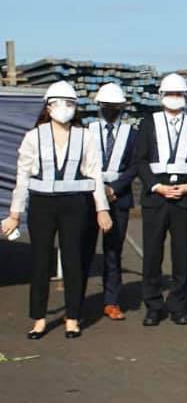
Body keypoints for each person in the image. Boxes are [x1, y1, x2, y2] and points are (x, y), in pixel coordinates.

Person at [2, 82, 112, 339]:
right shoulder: (34, 136)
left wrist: (102, 209)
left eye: (70, 103)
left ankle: (72, 317)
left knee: (73, 260)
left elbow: (95, 173)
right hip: (42, 205)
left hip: (75, 205)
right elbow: (22, 177)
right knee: (40, 261)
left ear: (76, 106)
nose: (64, 108)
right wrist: (15, 214)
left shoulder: (85, 136)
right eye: (59, 102)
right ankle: (39, 318)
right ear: (48, 106)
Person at [132, 72, 187, 326]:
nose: (175, 98)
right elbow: (140, 160)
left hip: (184, 197)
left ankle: (178, 305)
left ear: (186, 96)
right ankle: (153, 305)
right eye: (170, 94)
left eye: (179, 94)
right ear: (161, 96)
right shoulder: (148, 123)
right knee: (152, 253)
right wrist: (156, 186)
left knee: (181, 254)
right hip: (156, 196)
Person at [82, 83, 139, 321]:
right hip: (89, 197)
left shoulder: (131, 134)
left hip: (119, 197)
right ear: (99, 107)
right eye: (107, 106)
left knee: (113, 251)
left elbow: (135, 165)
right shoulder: (87, 132)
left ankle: (112, 301)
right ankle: (77, 302)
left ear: (122, 107)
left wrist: (115, 188)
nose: (111, 110)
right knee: (83, 250)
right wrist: (99, 189)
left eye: (115, 107)